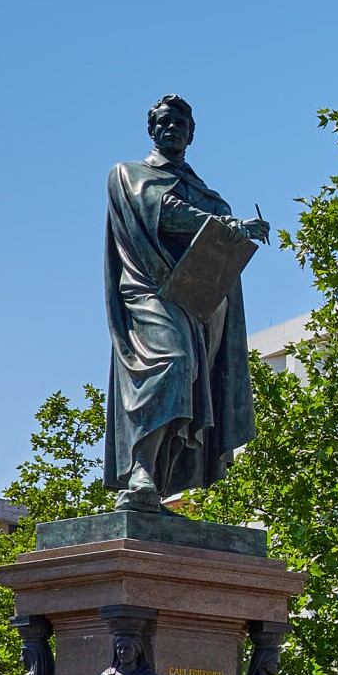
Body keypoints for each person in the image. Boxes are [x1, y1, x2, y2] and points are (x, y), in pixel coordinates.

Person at [104, 95, 269, 513]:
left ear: (191, 134)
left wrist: (228, 224)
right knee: (172, 362)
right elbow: (163, 211)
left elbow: (216, 214)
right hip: (148, 291)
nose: (172, 127)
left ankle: (156, 483)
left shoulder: (203, 192)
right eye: (164, 121)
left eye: (180, 123)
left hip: (196, 303)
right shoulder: (129, 174)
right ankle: (140, 470)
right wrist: (228, 225)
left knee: (192, 379)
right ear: (152, 130)